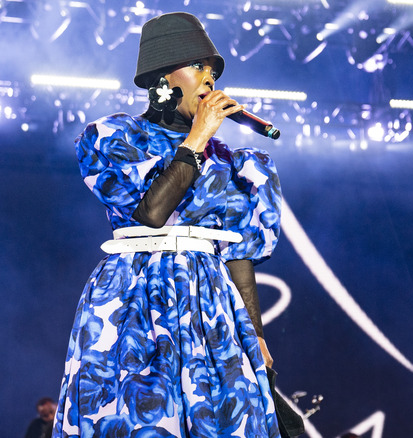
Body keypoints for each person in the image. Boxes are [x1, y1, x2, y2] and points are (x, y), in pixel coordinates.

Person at [53, 12, 285, 437]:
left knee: (224, 417)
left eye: (212, 71)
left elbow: (238, 258)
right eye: (198, 67)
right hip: (134, 294)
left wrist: (257, 338)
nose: (209, 80)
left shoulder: (235, 164)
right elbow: (152, 214)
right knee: (136, 415)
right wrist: (196, 139)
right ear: (163, 78)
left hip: (208, 301)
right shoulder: (115, 137)